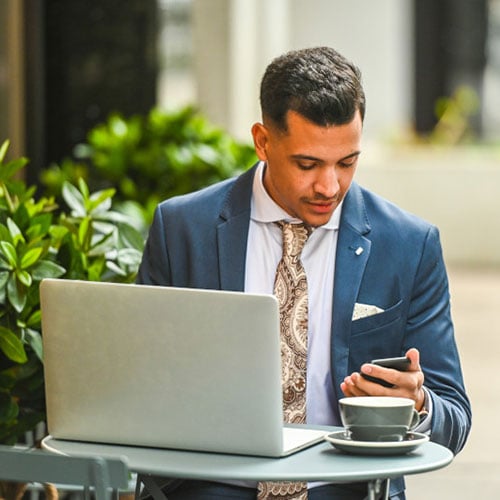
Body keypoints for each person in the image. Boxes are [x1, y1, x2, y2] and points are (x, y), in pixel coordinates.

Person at [136, 46, 471, 499]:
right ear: (263, 141)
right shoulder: (181, 229)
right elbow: (138, 387)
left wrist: (418, 404)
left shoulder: (409, 245)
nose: (329, 187)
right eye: (307, 164)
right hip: (211, 488)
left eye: (347, 162)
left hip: (345, 489)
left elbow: (454, 419)